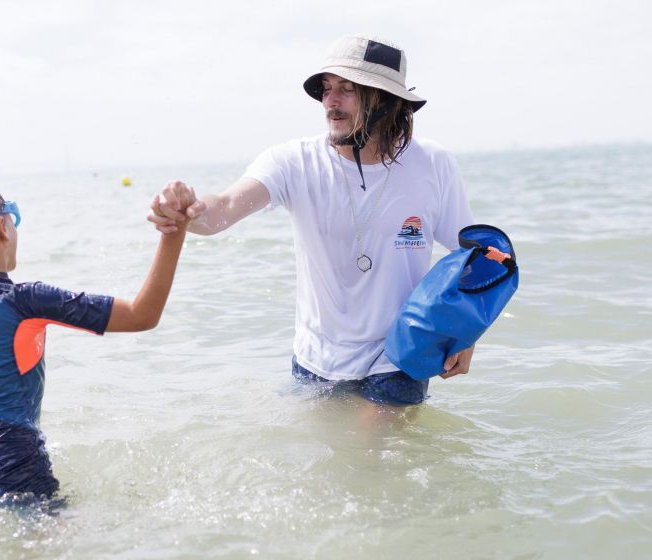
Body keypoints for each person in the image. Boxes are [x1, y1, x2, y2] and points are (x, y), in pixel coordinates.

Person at [148, 34, 475, 405]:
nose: (330, 102)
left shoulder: (432, 164)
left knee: (373, 458)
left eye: (347, 89)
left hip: (398, 357)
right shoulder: (294, 162)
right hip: (314, 361)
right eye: (326, 89)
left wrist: (465, 331)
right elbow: (222, 208)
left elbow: (475, 257)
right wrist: (188, 210)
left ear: (385, 101)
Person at [0, 180, 187, 502]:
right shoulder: (24, 301)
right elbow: (143, 315)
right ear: (3, 226)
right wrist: (175, 231)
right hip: (12, 473)